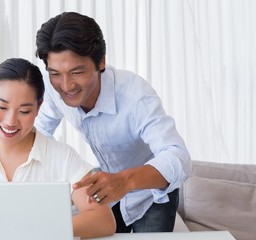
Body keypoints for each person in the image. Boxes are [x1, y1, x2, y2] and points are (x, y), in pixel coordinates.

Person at [34, 12, 192, 233]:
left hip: (150, 193)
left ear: (101, 61)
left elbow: (178, 156)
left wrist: (126, 180)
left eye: (77, 72)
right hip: (106, 189)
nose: (66, 86)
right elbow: (39, 136)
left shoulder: (136, 96)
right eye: (56, 73)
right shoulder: (53, 88)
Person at [0, 58, 116, 238]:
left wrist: (34, 230)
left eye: (24, 111)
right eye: (1, 107)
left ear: (38, 108)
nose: (11, 121)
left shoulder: (62, 158)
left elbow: (103, 221)